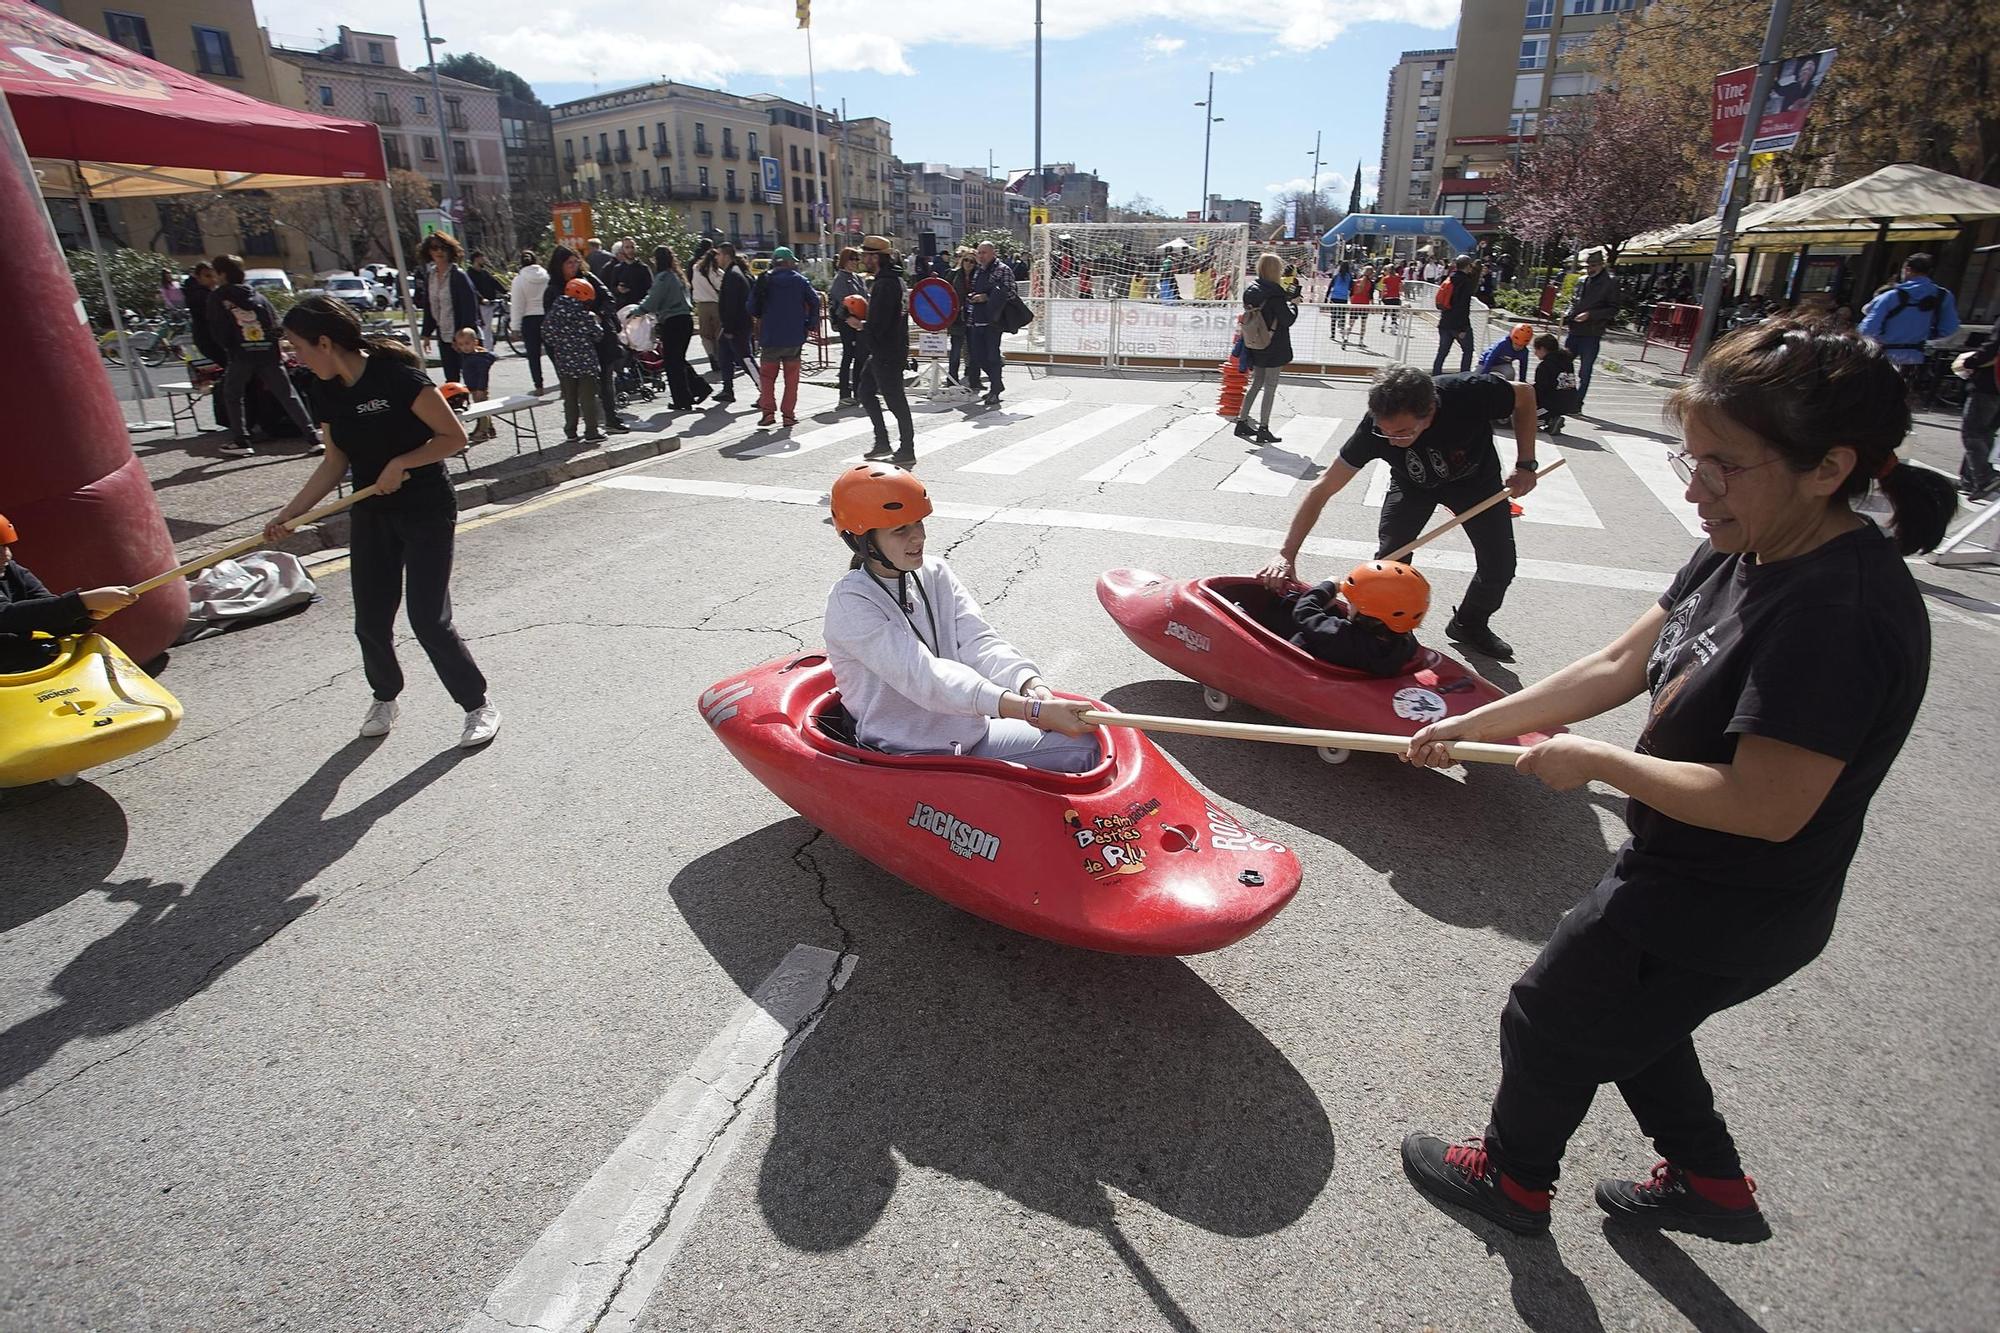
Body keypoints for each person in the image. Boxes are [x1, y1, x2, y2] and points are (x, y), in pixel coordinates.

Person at [1397, 319, 1955, 1244]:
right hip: (1691, 874)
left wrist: (1602, 761)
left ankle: (1512, 1179)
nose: (1694, 489)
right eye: (1690, 459)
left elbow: (1767, 807)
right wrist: (1472, 721)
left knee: (1551, 1014)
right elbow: (1620, 659)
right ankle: (1713, 1186)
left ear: (1828, 467)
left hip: (1726, 897)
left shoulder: (1836, 614)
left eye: (1722, 464)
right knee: (1635, 1025)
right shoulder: (1749, 541)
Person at [267, 296, 499, 748]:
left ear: (325, 341)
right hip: (372, 510)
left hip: (426, 506)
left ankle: (477, 704)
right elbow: (334, 461)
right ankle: (385, 696)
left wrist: (402, 463)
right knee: (371, 620)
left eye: (297, 346)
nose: (294, 357)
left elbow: (453, 437)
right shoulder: (324, 389)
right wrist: (290, 514)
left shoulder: (397, 377)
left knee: (428, 619)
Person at [823, 463, 1100, 771]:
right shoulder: (851, 602)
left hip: (968, 737)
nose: (918, 538)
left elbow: (978, 640)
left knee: (1086, 744)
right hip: (906, 756)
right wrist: (1029, 711)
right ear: (862, 540)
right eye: (900, 530)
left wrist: (1031, 687)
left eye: (918, 523)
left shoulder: (935, 572)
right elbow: (924, 677)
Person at [1259, 367, 1539, 660]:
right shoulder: (1373, 430)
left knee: (1500, 565)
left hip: (1476, 483)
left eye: (1403, 432)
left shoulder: (1469, 392)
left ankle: (1469, 623)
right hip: (1413, 485)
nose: (1391, 441)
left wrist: (1526, 464)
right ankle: (1387, 633)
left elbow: (1525, 394)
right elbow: (1323, 488)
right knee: (1391, 561)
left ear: (1430, 411)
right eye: (1385, 432)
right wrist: (1286, 553)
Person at [208, 253, 322, 458]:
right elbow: (275, 324)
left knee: (233, 395)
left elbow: (218, 328)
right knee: (288, 395)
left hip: (241, 353)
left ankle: (241, 439)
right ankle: (312, 437)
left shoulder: (219, 297)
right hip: (268, 352)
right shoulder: (258, 296)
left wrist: (228, 346)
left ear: (222, 274)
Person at [0, 512, 137, 673]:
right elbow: (6, 616)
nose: (6, 556)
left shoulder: (12, 571)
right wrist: (82, 602)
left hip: (17, 662)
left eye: (4, 547)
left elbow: (50, 619)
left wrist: (89, 615)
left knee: (91, 652)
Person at [1289, 559, 1428, 677]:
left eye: (1351, 602)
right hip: (1355, 666)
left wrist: (1327, 586)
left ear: (1370, 612)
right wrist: (1332, 609)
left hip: (1309, 668)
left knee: (1301, 634)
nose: (1349, 604)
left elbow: (1303, 612)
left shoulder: (1341, 635)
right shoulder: (1406, 644)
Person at [542, 245, 629, 434]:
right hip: (572, 349)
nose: (573, 267)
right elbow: (550, 324)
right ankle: (578, 428)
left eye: (575, 262)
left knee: (605, 380)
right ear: (559, 266)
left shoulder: (588, 278)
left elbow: (608, 299)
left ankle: (610, 420)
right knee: (574, 392)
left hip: (599, 338)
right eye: (569, 263)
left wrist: (597, 315)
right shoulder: (553, 290)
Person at [849, 235, 917, 464]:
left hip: (887, 350)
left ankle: (907, 448)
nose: (862, 259)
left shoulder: (886, 284)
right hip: (887, 348)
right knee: (865, 391)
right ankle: (882, 442)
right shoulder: (894, 280)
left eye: (866, 256)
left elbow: (880, 322)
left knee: (895, 399)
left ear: (876, 257)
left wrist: (859, 324)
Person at [1858, 253, 1961, 388]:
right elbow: (1949, 328)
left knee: (1875, 397)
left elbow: (1867, 329)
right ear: (1929, 272)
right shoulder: (1943, 296)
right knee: (1900, 397)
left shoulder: (1890, 296)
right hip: (1915, 359)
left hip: (1883, 357)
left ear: (1907, 269)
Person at [751, 247, 820, 429]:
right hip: (793, 338)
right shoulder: (800, 281)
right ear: (789, 263)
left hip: (770, 337)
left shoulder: (764, 280)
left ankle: (768, 414)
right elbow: (815, 301)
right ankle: (788, 416)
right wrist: (810, 323)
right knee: (791, 379)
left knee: (767, 377)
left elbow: (751, 307)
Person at [633, 245, 706, 412]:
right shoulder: (676, 276)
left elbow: (653, 300)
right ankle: (699, 388)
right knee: (678, 359)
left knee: (673, 363)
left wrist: (636, 311)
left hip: (673, 322)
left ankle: (682, 400)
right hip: (684, 320)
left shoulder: (663, 278)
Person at [1236, 253, 1297, 446]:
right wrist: (1294, 305)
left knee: (1256, 383)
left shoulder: (1251, 290)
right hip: (1274, 344)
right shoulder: (1275, 293)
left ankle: (1242, 421)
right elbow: (1287, 320)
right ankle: (1264, 427)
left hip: (1255, 342)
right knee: (1270, 387)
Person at [544, 277, 606, 443]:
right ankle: (591, 431)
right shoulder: (583, 314)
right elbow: (598, 334)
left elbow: (547, 336)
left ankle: (571, 431)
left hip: (564, 362)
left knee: (569, 399)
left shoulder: (554, 313)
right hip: (586, 362)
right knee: (588, 398)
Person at [418, 232, 481, 382]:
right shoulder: (431, 276)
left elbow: (469, 306)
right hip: (444, 335)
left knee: (472, 379)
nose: (439, 251)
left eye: (443, 248)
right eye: (434, 248)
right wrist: (426, 333)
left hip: (462, 337)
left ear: (450, 251)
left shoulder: (458, 275)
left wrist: (464, 334)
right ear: (428, 251)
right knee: (451, 380)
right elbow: (430, 305)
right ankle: (457, 404)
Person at [1563, 247, 1620, 408]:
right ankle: (1564, 397)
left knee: (1585, 370)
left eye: (1593, 266)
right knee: (1564, 366)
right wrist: (1567, 313)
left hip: (1592, 332)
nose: (1590, 269)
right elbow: (1574, 301)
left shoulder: (1610, 282)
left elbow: (1614, 308)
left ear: (1602, 265)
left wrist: (1591, 315)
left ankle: (1577, 402)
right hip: (1575, 330)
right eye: (1588, 266)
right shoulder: (1582, 280)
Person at [965, 241, 1016, 408]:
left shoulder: (1003, 270)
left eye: (984, 252)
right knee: (978, 357)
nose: (981, 256)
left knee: (993, 357)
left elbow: (1010, 292)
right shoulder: (979, 270)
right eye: (979, 253)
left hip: (994, 321)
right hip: (977, 320)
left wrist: (987, 297)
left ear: (993, 253)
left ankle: (995, 390)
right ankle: (997, 382)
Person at [180, 262, 229, 429]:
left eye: (213, 275)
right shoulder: (200, 296)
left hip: (212, 339)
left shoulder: (207, 293)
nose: (213, 279)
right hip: (210, 340)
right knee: (232, 373)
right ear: (198, 277)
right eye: (207, 276)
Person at [1954, 334, 1999, 499]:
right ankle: (1969, 481)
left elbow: (1992, 347)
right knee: (1985, 433)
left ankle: (1984, 477)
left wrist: (1969, 362)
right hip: (1996, 389)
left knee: (1972, 433)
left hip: (1989, 384)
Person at [712, 243, 754, 406]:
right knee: (724, 352)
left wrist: (729, 328)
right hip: (734, 325)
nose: (716, 258)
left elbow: (732, 305)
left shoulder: (733, 276)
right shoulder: (732, 273)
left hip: (737, 326)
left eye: (718, 254)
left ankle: (764, 389)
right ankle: (727, 389)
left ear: (726, 256)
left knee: (745, 359)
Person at [828, 247, 870, 406]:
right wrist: (847, 318)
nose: (855, 262)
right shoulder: (840, 279)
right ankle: (844, 393)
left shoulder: (858, 278)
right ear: (845, 260)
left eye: (857, 259)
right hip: (847, 323)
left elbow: (865, 297)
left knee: (861, 355)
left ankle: (859, 391)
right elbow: (838, 302)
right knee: (848, 356)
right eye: (852, 259)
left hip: (860, 321)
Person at [508, 250, 551, 394]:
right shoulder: (546, 276)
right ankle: (564, 382)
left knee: (533, 355)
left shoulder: (519, 280)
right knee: (554, 352)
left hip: (529, 319)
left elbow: (517, 305)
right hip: (546, 317)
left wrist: (515, 327)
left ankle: (539, 386)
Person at [1432, 254, 1480, 375]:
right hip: (1459, 325)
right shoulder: (1465, 282)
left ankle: (1435, 376)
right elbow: (1463, 307)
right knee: (1468, 351)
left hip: (1444, 322)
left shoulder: (1449, 278)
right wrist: (1463, 328)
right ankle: (1464, 377)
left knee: (1442, 352)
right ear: (1468, 266)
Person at [450, 328, 498, 442]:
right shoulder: (467, 355)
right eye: (461, 344)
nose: (464, 347)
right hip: (472, 386)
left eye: (467, 343)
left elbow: (483, 375)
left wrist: (481, 389)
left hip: (479, 388)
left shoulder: (480, 358)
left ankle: (483, 431)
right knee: (481, 408)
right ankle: (489, 428)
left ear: (475, 342)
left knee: (482, 409)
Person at [1532, 333, 1581, 434]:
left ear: (1542, 349)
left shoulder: (1544, 366)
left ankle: (1549, 421)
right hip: (1570, 402)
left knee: (1524, 418)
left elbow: (1541, 389)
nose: (1535, 353)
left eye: (1536, 350)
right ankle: (1554, 418)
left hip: (1551, 404)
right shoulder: (1567, 361)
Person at [690, 240, 725, 369]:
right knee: (718, 334)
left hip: (702, 305)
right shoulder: (718, 273)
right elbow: (721, 287)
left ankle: (711, 355)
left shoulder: (695, 268)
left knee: (705, 335)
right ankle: (719, 358)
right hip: (716, 305)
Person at [945, 247, 975, 388]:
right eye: (966, 260)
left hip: (973, 317)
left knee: (973, 349)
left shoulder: (978, 275)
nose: (968, 263)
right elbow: (944, 292)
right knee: (956, 349)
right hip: (957, 318)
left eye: (972, 261)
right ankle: (952, 378)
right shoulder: (954, 274)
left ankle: (972, 376)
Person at [466, 251, 505, 348]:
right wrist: (481, 299)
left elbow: (494, 282)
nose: (484, 260)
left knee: (508, 307)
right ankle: (488, 350)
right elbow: (472, 289)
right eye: (482, 258)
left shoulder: (484, 273)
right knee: (486, 328)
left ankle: (504, 329)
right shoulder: (470, 274)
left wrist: (505, 292)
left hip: (492, 302)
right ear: (476, 259)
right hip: (482, 305)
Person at [609, 239, 652, 306]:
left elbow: (650, 289)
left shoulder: (643, 268)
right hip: (623, 306)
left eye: (632, 247)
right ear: (622, 250)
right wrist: (618, 289)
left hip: (640, 306)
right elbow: (612, 288)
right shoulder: (617, 268)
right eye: (627, 247)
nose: (630, 250)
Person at [1327, 261, 1354, 343]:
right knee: (1342, 316)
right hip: (1343, 298)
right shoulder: (1349, 277)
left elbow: (1330, 287)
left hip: (1334, 297)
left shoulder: (1336, 276)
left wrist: (1326, 297)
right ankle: (1343, 334)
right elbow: (1351, 288)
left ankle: (1332, 334)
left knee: (1333, 317)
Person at [1380, 263, 1404, 336]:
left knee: (1386, 311)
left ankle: (1383, 324)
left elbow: (1384, 289)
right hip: (1396, 296)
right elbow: (1400, 287)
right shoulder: (1398, 277)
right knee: (1394, 312)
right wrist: (1400, 294)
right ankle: (1393, 327)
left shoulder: (1386, 278)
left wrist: (1381, 296)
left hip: (1388, 296)